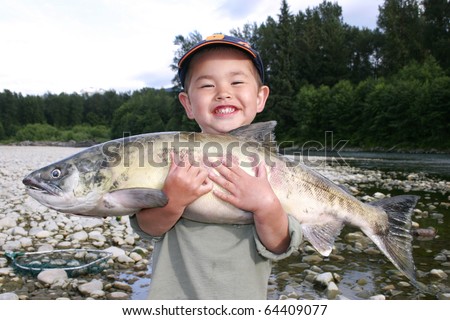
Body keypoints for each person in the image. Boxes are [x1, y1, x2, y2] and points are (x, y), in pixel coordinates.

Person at [130, 34, 303, 299]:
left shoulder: (269, 173)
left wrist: (266, 204)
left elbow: (279, 245)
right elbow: (148, 227)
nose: (223, 93)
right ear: (187, 103)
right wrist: (172, 201)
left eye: (236, 82)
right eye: (207, 85)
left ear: (260, 97)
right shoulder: (171, 160)